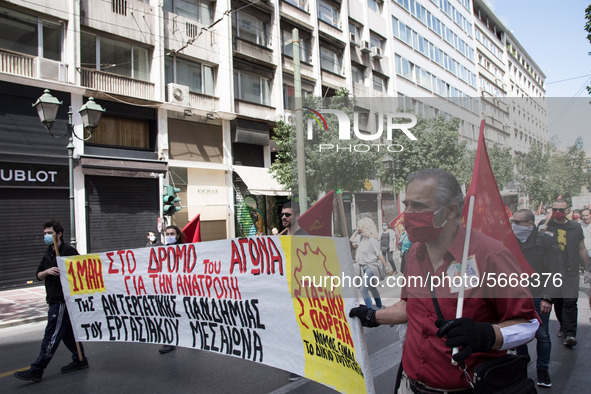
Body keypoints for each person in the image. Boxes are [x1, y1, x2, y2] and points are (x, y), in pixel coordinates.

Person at [349, 169, 539, 392]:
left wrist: (485, 334)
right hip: (409, 386)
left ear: (450, 211)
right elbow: (410, 306)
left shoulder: (491, 256)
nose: (407, 214)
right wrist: (372, 316)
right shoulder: (413, 254)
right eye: (406, 204)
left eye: (418, 206)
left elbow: (528, 324)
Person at [14, 219, 88, 383]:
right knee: (67, 333)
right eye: (45, 234)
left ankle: (37, 369)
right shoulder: (48, 253)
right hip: (52, 298)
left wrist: (66, 271)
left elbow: (82, 273)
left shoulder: (68, 251)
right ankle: (80, 360)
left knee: (51, 335)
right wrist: (47, 271)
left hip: (62, 301)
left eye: (50, 233)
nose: (47, 236)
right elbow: (38, 275)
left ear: (59, 234)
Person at [511, 209, 557, 387]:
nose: (514, 226)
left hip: (539, 295)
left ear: (530, 224)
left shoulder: (545, 241)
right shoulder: (510, 242)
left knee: (542, 334)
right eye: (512, 222)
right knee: (519, 332)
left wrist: (548, 297)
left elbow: (555, 271)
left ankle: (542, 371)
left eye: (518, 222)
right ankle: (522, 362)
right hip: (517, 295)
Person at [540, 199, 590, 347]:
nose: (558, 213)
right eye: (555, 209)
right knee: (558, 302)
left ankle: (570, 334)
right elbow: (538, 247)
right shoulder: (546, 224)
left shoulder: (575, 227)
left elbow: (581, 248)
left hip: (571, 271)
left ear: (568, 211)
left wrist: (588, 268)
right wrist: (540, 233)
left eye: (561, 210)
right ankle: (563, 325)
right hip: (552, 271)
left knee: (570, 301)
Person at [350, 218, 392, 310]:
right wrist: (357, 231)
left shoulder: (372, 239)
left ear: (365, 227)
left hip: (371, 267)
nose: (359, 228)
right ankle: (379, 305)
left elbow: (379, 254)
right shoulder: (360, 238)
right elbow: (351, 239)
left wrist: (386, 267)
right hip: (363, 267)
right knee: (372, 288)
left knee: (363, 289)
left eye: (360, 226)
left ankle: (369, 310)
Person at [158, 225, 183, 354]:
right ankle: (169, 341)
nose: (169, 236)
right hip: (168, 288)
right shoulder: (162, 250)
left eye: (172, 234)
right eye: (167, 234)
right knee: (168, 315)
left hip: (183, 288)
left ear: (177, 235)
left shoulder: (185, 249)